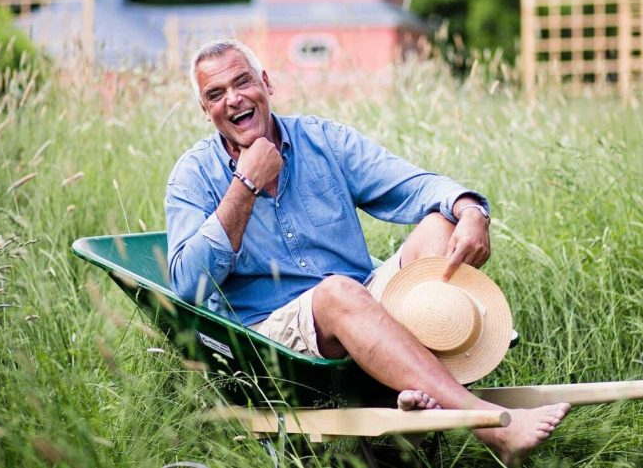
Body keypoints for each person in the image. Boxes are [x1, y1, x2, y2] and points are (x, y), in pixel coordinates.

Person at [164, 39, 568, 464]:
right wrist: (243, 187)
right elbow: (187, 287)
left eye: (242, 82)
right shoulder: (193, 176)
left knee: (439, 224)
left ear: (266, 83)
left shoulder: (323, 140)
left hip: (358, 304)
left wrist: (470, 210)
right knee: (338, 292)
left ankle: (404, 387)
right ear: (204, 110)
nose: (233, 99)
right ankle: (488, 424)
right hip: (271, 335)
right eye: (215, 94)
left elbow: (413, 186)